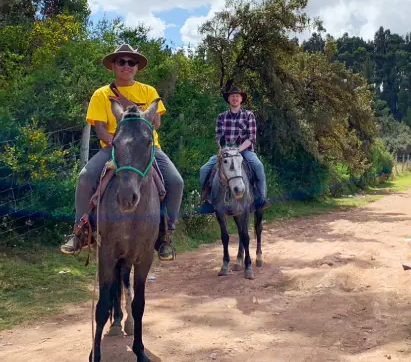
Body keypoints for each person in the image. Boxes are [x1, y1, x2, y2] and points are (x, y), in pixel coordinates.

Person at [59, 44, 184, 261]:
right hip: (113, 147)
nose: (126, 66)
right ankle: (80, 231)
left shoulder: (149, 92)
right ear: (114, 66)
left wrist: (141, 124)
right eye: (121, 62)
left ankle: (166, 235)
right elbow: (99, 127)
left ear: (137, 67)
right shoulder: (102, 94)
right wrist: (118, 143)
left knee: (175, 182)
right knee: (85, 177)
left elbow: (156, 122)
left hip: (148, 148)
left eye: (131, 62)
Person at [196, 87, 269, 214]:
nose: (235, 98)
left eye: (237, 96)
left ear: (241, 99)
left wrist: (238, 150)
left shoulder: (249, 115)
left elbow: (251, 137)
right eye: (232, 96)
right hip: (226, 152)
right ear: (228, 99)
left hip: (245, 150)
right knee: (204, 170)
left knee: (258, 166)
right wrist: (224, 149)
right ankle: (208, 201)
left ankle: (260, 198)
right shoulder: (221, 117)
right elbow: (219, 137)